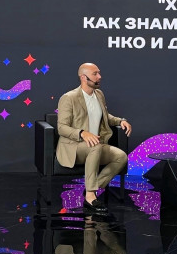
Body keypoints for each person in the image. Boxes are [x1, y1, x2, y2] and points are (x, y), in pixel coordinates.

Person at [56, 63, 132, 212]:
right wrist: (82, 133)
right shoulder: (69, 98)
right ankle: (90, 197)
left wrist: (120, 121)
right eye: (95, 74)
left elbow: (105, 116)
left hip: (95, 145)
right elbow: (61, 128)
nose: (99, 77)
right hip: (74, 147)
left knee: (121, 157)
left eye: (99, 73)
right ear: (84, 77)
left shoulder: (99, 94)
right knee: (94, 147)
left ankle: (91, 188)